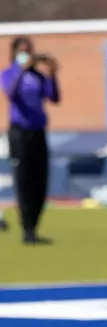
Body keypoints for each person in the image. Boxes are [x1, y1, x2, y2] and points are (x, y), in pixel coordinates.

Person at [3, 36, 59, 244]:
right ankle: (26, 229)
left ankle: (34, 227)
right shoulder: (9, 73)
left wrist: (52, 74)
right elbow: (10, 92)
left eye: (29, 51)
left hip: (38, 131)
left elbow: (54, 97)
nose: (26, 55)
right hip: (19, 133)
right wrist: (21, 70)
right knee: (24, 180)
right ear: (15, 53)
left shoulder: (37, 76)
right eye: (22, 51)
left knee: (39, 181)